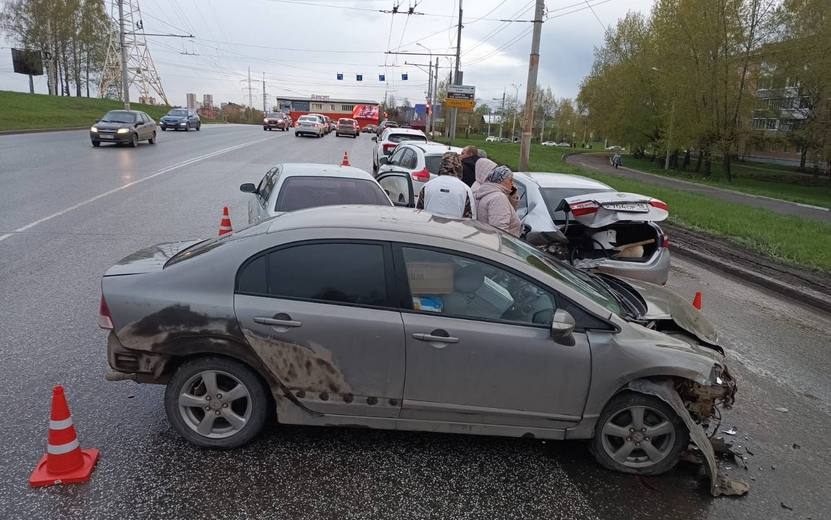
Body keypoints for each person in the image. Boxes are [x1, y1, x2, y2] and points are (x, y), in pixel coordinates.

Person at [416, 152, 474, 218]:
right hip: (454, 227)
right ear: (459, 166)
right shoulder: (465, 189)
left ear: (441, 165)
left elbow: (418, 212)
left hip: (429, 226)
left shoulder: (427, 186)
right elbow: (470, 218)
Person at [474, 165, 521, 237]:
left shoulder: (487, 193)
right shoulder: (498, 198)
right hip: (504, 245)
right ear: (502, 181)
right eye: (510, 180)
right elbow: (500, 230)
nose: (512, 184)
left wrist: (512, 195)